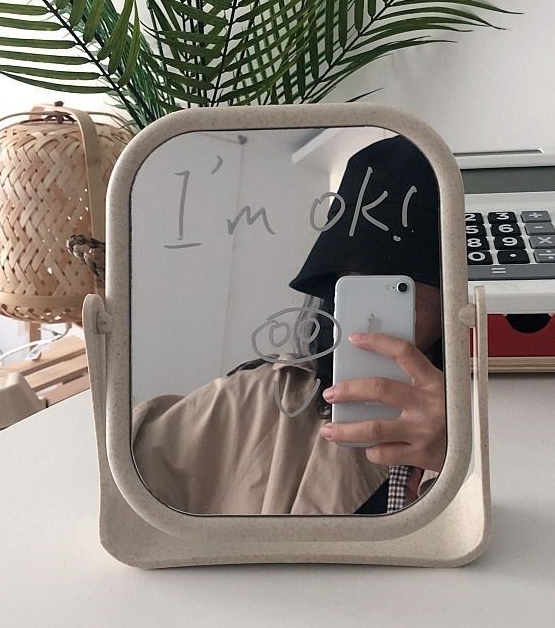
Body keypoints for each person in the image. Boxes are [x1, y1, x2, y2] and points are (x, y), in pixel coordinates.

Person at [131, 135, 446, 515]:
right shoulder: (265, 399)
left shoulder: (490, 415)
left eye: (400, 282)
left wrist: (457, 458)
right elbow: (115, 464)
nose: (371, 296)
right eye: (350, 276)